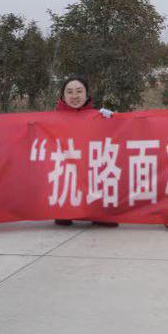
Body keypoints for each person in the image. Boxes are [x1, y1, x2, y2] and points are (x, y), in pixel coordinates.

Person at [52, 76, 118, 228]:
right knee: (63, 217)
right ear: (63, 96)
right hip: (65, 171)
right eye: (69, 92)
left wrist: (115, 120)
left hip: (91, 170)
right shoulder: (52, 119)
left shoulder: (99, 117)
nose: (74, 96)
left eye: (79, 91)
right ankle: (65, 210)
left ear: (87, 95)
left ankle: (97, 212)